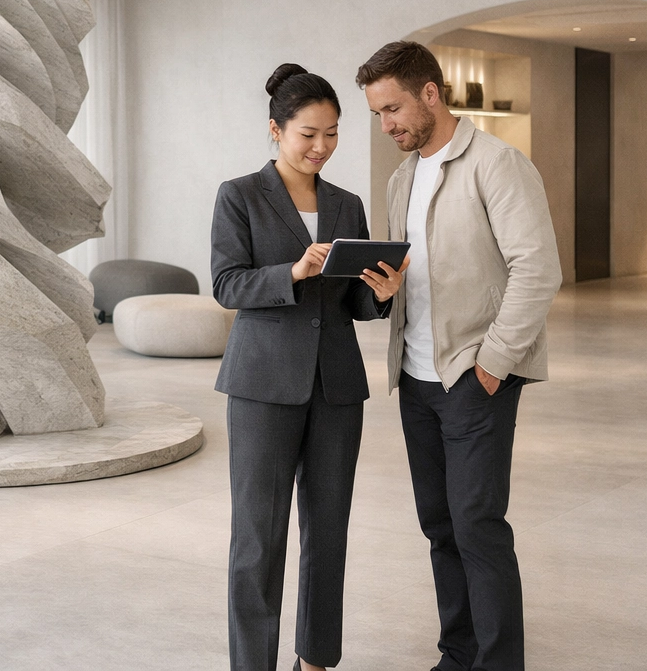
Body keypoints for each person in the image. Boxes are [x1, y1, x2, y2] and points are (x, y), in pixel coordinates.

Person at [355, 42, 562, 671]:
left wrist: (493, 365)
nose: (387, 125)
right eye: (376, 114)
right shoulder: (402, 177)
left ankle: (499, 663)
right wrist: (387, 297)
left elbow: (538, 270)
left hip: (473, 376)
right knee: (440, 525)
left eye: (393, 108)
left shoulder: (498, 165)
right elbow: (411, 276)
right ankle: (459, 651)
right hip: (415, 379)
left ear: (430, 93)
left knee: (478, 525)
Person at [211, 62, 407, 671]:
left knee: (328, 533)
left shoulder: (346, 205)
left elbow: (354, 302)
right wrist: (292, 272)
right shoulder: (239, 195)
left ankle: (317, 659)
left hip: (337, 387)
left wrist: (383, 289)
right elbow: (225, 284)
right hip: (264, 385)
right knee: (257, 540)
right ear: (276, 131)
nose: (321, 147)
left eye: (332, 133)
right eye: (308, 135)